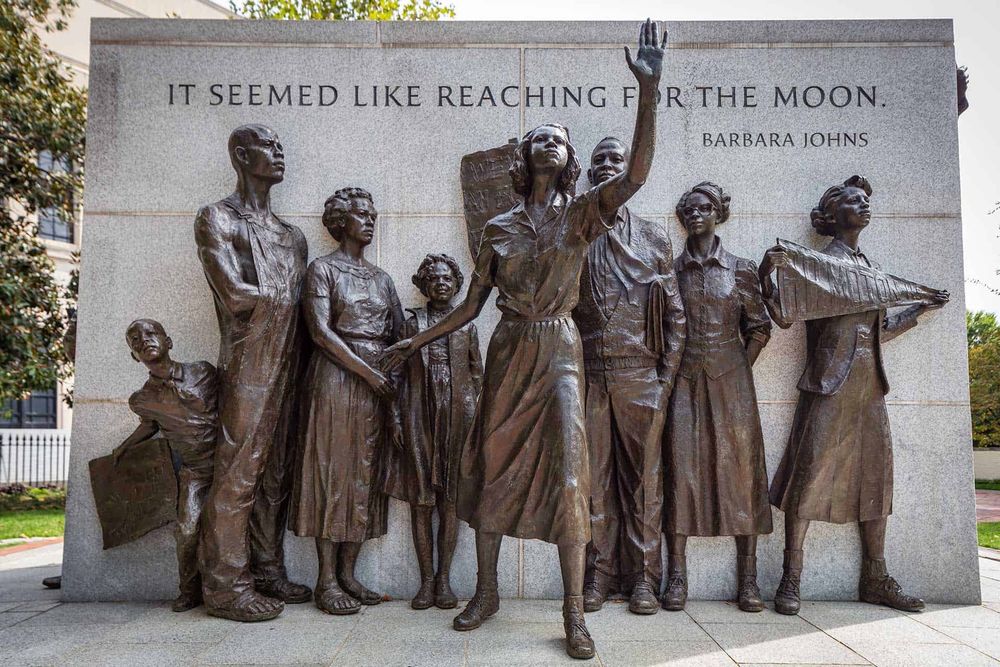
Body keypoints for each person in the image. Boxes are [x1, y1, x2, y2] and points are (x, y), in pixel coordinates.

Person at [381, 20, 667, 661]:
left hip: (562, 350)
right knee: (490, 468)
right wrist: (418, 340)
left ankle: (573, 614)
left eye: (559, 140)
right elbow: (471, 305)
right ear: (525, 156)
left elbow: (638, 174)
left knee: (570, 476)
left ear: (569, 160)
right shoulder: (498, 227)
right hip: (510, 350)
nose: (550, 145)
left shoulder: (584, 213)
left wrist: (648, 92)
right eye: (540, 138)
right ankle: (485, 593)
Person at [762, 175, 949, 615]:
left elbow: (877, 331)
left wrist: (917, 310)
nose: (864, 206)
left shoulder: (872, 272)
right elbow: (785, 318)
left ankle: (876, 577)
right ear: (831, 216)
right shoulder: (815, 267)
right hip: (828, 383)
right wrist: (767, 278)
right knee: (809, 475)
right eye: (853, 201)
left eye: (867, 201)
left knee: (875, 480)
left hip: (870, 387)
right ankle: (791, 577)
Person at [194, 124, 311, 622]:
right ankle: (224, 586)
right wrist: (277, 304)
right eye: (269, 146)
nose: (280, 153)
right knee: (239, 471)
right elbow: (234, 294)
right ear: (242, 155)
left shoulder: (292, 235)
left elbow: (304, 309)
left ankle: (267, 567)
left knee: (277, 471)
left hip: (292, 358)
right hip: (249, 360)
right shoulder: (217, 219)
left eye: (283, 146)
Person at [572, 137, 685, 615]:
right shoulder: (574, 232)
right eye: (598, 161)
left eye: (614, 159)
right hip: (591, 376)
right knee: (594, 481)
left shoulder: (654, 238)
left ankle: (643, 577)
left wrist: (665, 381)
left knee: (644, 482)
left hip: (643, 376)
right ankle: (597, 576)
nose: (606, 166)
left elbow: (676, 316)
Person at [662, 182, 773, 613]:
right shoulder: (670, 272)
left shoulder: (740, 269)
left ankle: (748, 579)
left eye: (703, 207)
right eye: (688, 209)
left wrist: (738, 366)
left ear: (718, 213)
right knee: (680, 472)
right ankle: (676, 576)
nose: (695, 214)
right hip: (684, 382)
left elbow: (759, 326)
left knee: (742, 475)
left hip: (733, 386)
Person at [290, 187, 401, 615]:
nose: (370, 221)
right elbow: (320, 332)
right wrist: (369, 373)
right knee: (333, 474)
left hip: (376, 386)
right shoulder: (322, 270)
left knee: (365, 474)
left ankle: (350, 575)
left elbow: (397, 331)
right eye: (362, 215)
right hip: (336, 380)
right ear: (340, 222)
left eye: (373, 215)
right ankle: (326, 580)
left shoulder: (382, 279)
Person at [383, 254, 484, 610]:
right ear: (425, 284)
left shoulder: (467, 325)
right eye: (435, 278)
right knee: (422, 501)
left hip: (458, 415)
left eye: (448, 279)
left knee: (451, 502)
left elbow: (477, 376)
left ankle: (444, 580)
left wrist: (477, 423)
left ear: (457, 285)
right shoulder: (412, 324)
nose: (441, 283)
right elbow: (394, 374)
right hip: (418, 413)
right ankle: (425, 581)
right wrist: (395, 417)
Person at [114, 318, 217, 613]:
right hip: (194, 472)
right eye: (135, 339)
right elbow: (149, 426)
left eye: (150, 333)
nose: (143, 339)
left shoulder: (203, 372)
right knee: (186, 530)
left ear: (168, 341)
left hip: (228, 462)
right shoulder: (142, 399)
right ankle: (189, 589)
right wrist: (122, 448)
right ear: (134, 356)